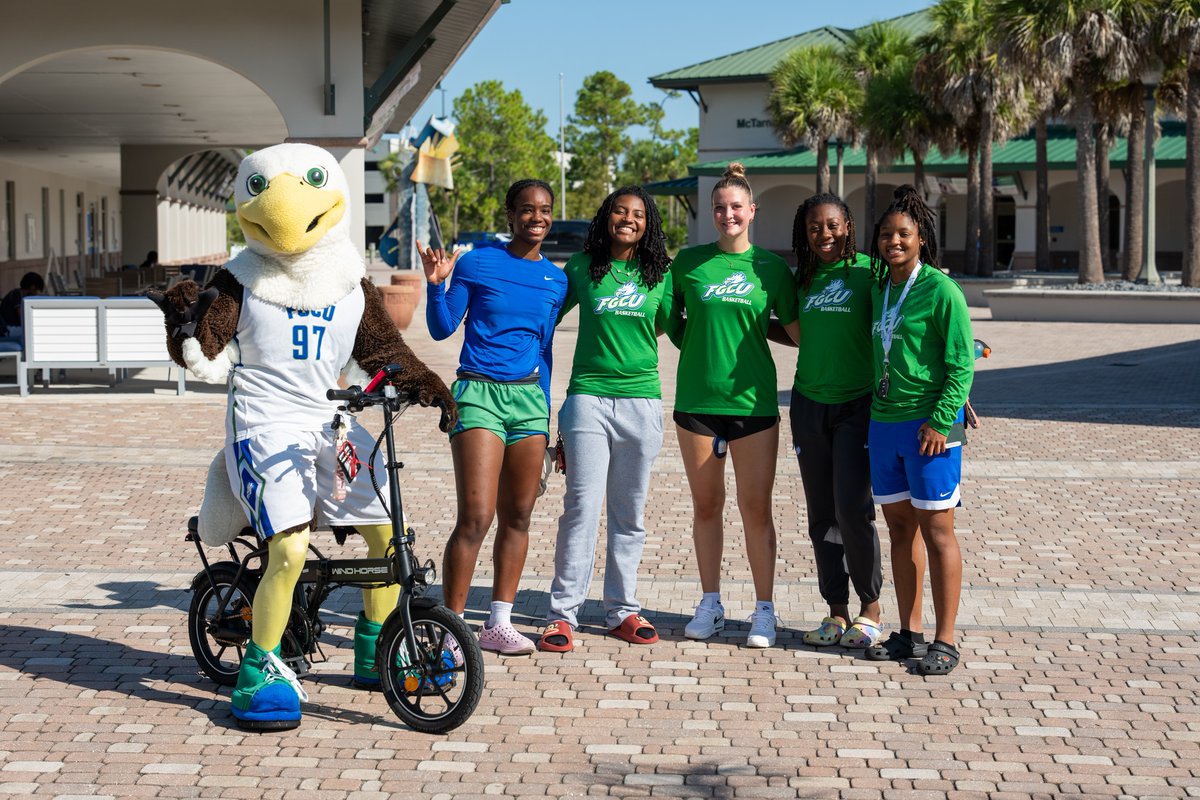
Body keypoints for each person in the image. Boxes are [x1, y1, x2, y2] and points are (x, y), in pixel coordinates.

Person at [422, 178, 568, 655]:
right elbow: (443, 328)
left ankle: (497, 625)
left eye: (545, 210)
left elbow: (543, 349)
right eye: (527, 209)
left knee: (519, 515)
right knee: (476, 516)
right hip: (478, 393)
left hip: (530, 402)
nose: (537, 218)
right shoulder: (478, 262)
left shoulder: (556, 279)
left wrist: (548, 418)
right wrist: (435, 286)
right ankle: (449, 629)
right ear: (510, 215)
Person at [667, 162, 800, 649]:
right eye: (720, 208)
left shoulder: (770, 269)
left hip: (754, 402)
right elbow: (672, 322)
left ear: (752, 211)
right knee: (707, 506)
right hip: (697, 401)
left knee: (755, 509)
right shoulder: (688, 262)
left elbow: (797, 331)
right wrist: (702, 345)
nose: (728, 215)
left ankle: (764, 610)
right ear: (712, 212)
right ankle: (711, 602)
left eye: (736, 207)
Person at [537, 186, 674, 653]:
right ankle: (562, 615)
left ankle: (622, 610)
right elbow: (544, 316)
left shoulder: (661, 274)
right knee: (581, 508)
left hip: (642, 403)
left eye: (638, 214)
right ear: (606, 216)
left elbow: (669, 325)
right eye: (620, 211)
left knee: (629, 514)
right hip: (588, 403)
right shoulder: (581, 267)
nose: (628, 219)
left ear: (648, 222)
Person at [863, 185, 974, 675]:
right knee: (899, 529)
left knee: (938, 530)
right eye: (886, 234)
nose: (894, 241)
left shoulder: (941, 289)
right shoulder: (877, 287)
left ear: (921, 238)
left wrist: (941, 419)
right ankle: (909, 633)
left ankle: (945, 640)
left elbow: (961, 364)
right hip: (884, 424)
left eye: (903, 233)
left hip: (931, 427)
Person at [786, 194, 884, 650]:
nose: (823, 235)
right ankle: (835, 611)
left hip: (857, 407)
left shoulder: (871, 272)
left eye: (831, 225)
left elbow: (906, 324)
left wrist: (953, 390)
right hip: (808, 405)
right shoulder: (802, 278)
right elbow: (788, 328)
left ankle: (870, 608)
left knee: (852, 508)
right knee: (821, 514)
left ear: (848, 224)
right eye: (813, 228)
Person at [0, 271, 45, 336]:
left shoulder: (18, 293)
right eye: (37, 290)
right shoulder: (17, 294)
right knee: (36, 332)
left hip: (9, 328)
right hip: (7, 329)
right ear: (33, 287)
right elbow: (23, 318)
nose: (37, 294)